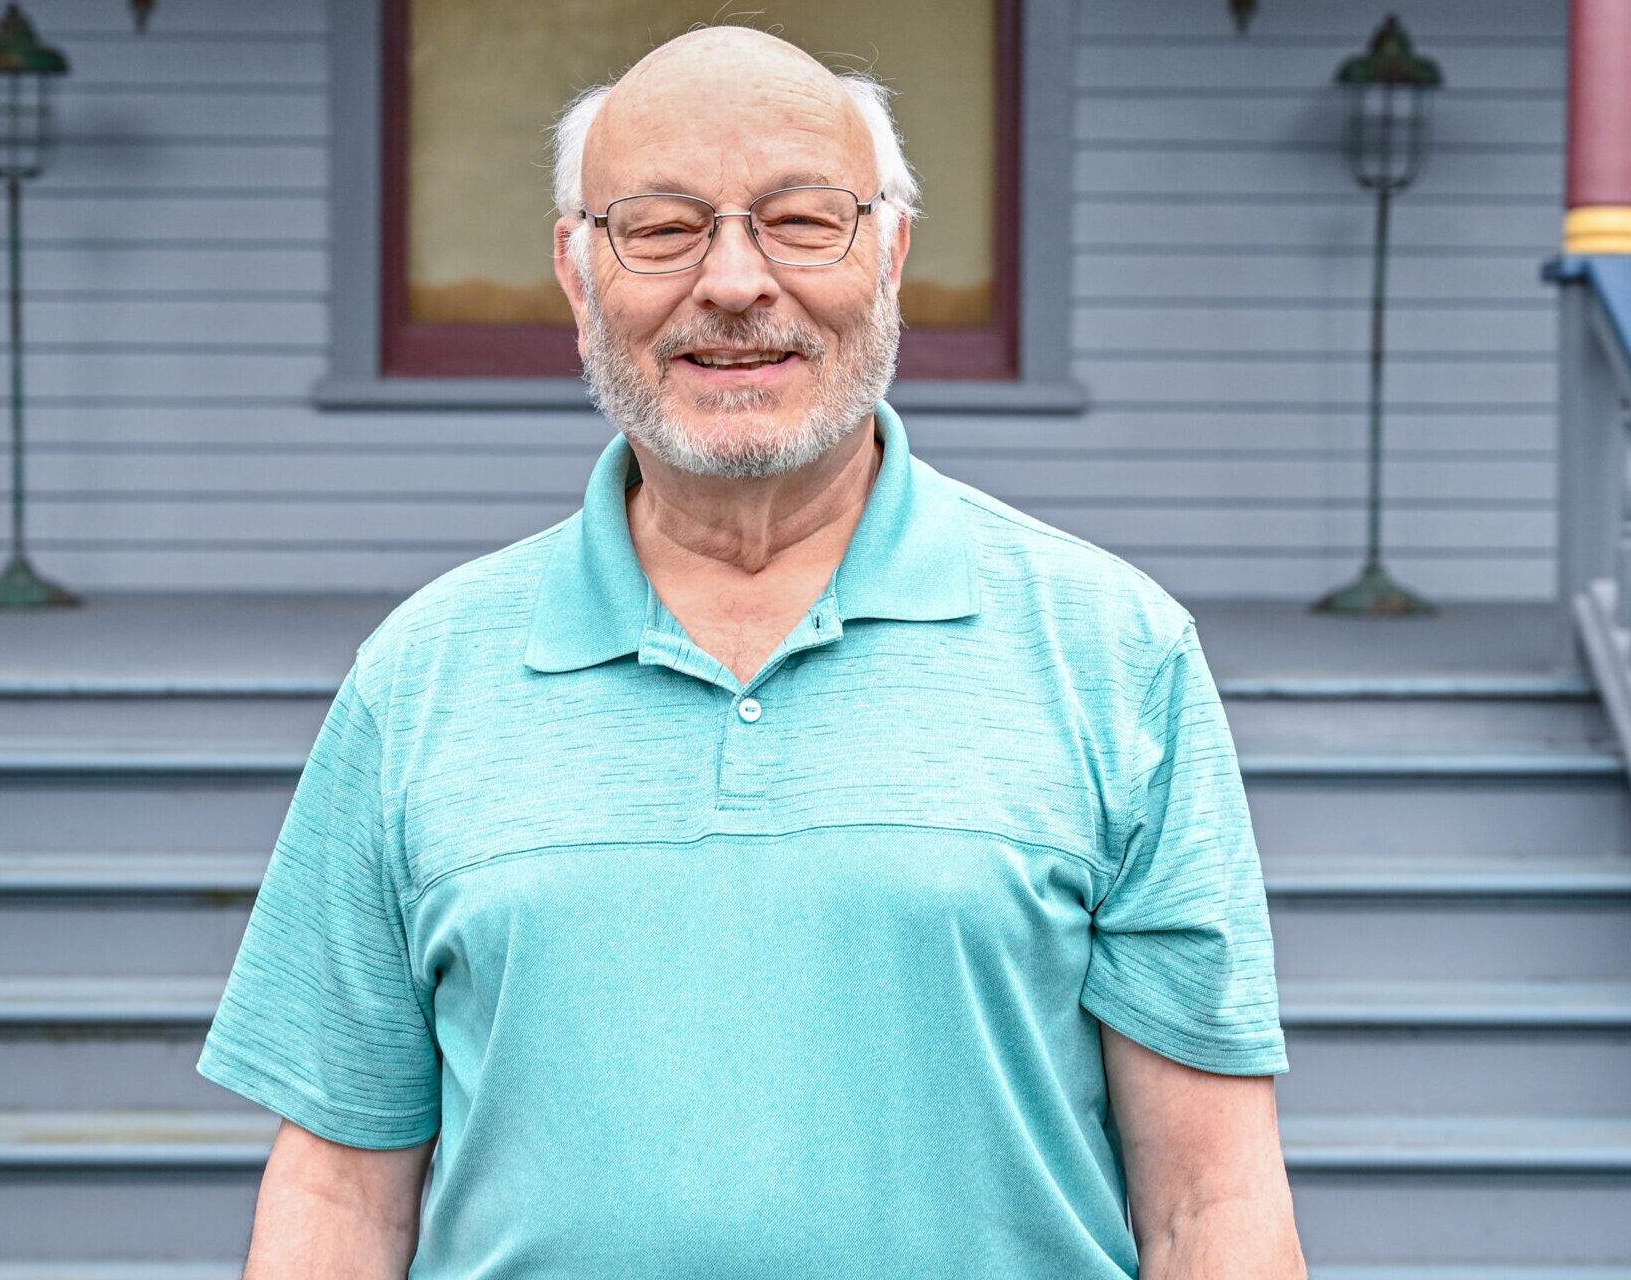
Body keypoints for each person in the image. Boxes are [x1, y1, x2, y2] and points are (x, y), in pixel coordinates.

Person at [200, 25, 1303, 1280]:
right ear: (576, 273)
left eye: (799, 219)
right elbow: (339, 1196)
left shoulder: (1112, 653)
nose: (731, 283)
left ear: (888, 252)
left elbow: (1210, 1207)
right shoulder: (419, 678)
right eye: (663, 227)